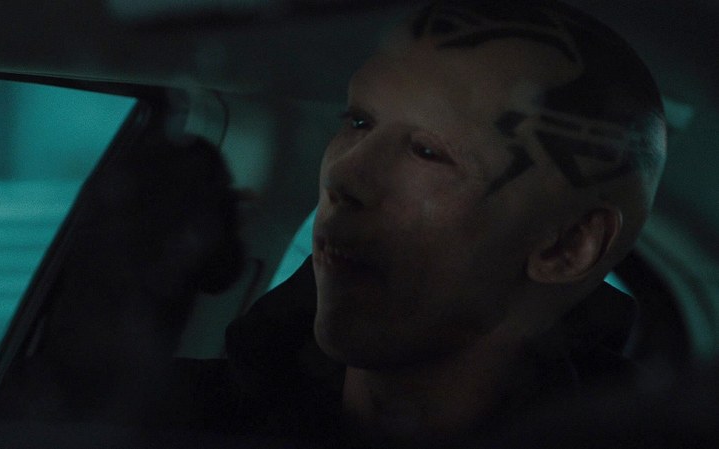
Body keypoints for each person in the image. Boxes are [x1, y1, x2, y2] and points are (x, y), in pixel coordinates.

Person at [229, 0, 666, 447]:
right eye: (359, 122)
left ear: (567, 245)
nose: (342, 177)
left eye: (426, 152)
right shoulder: (202, 412)